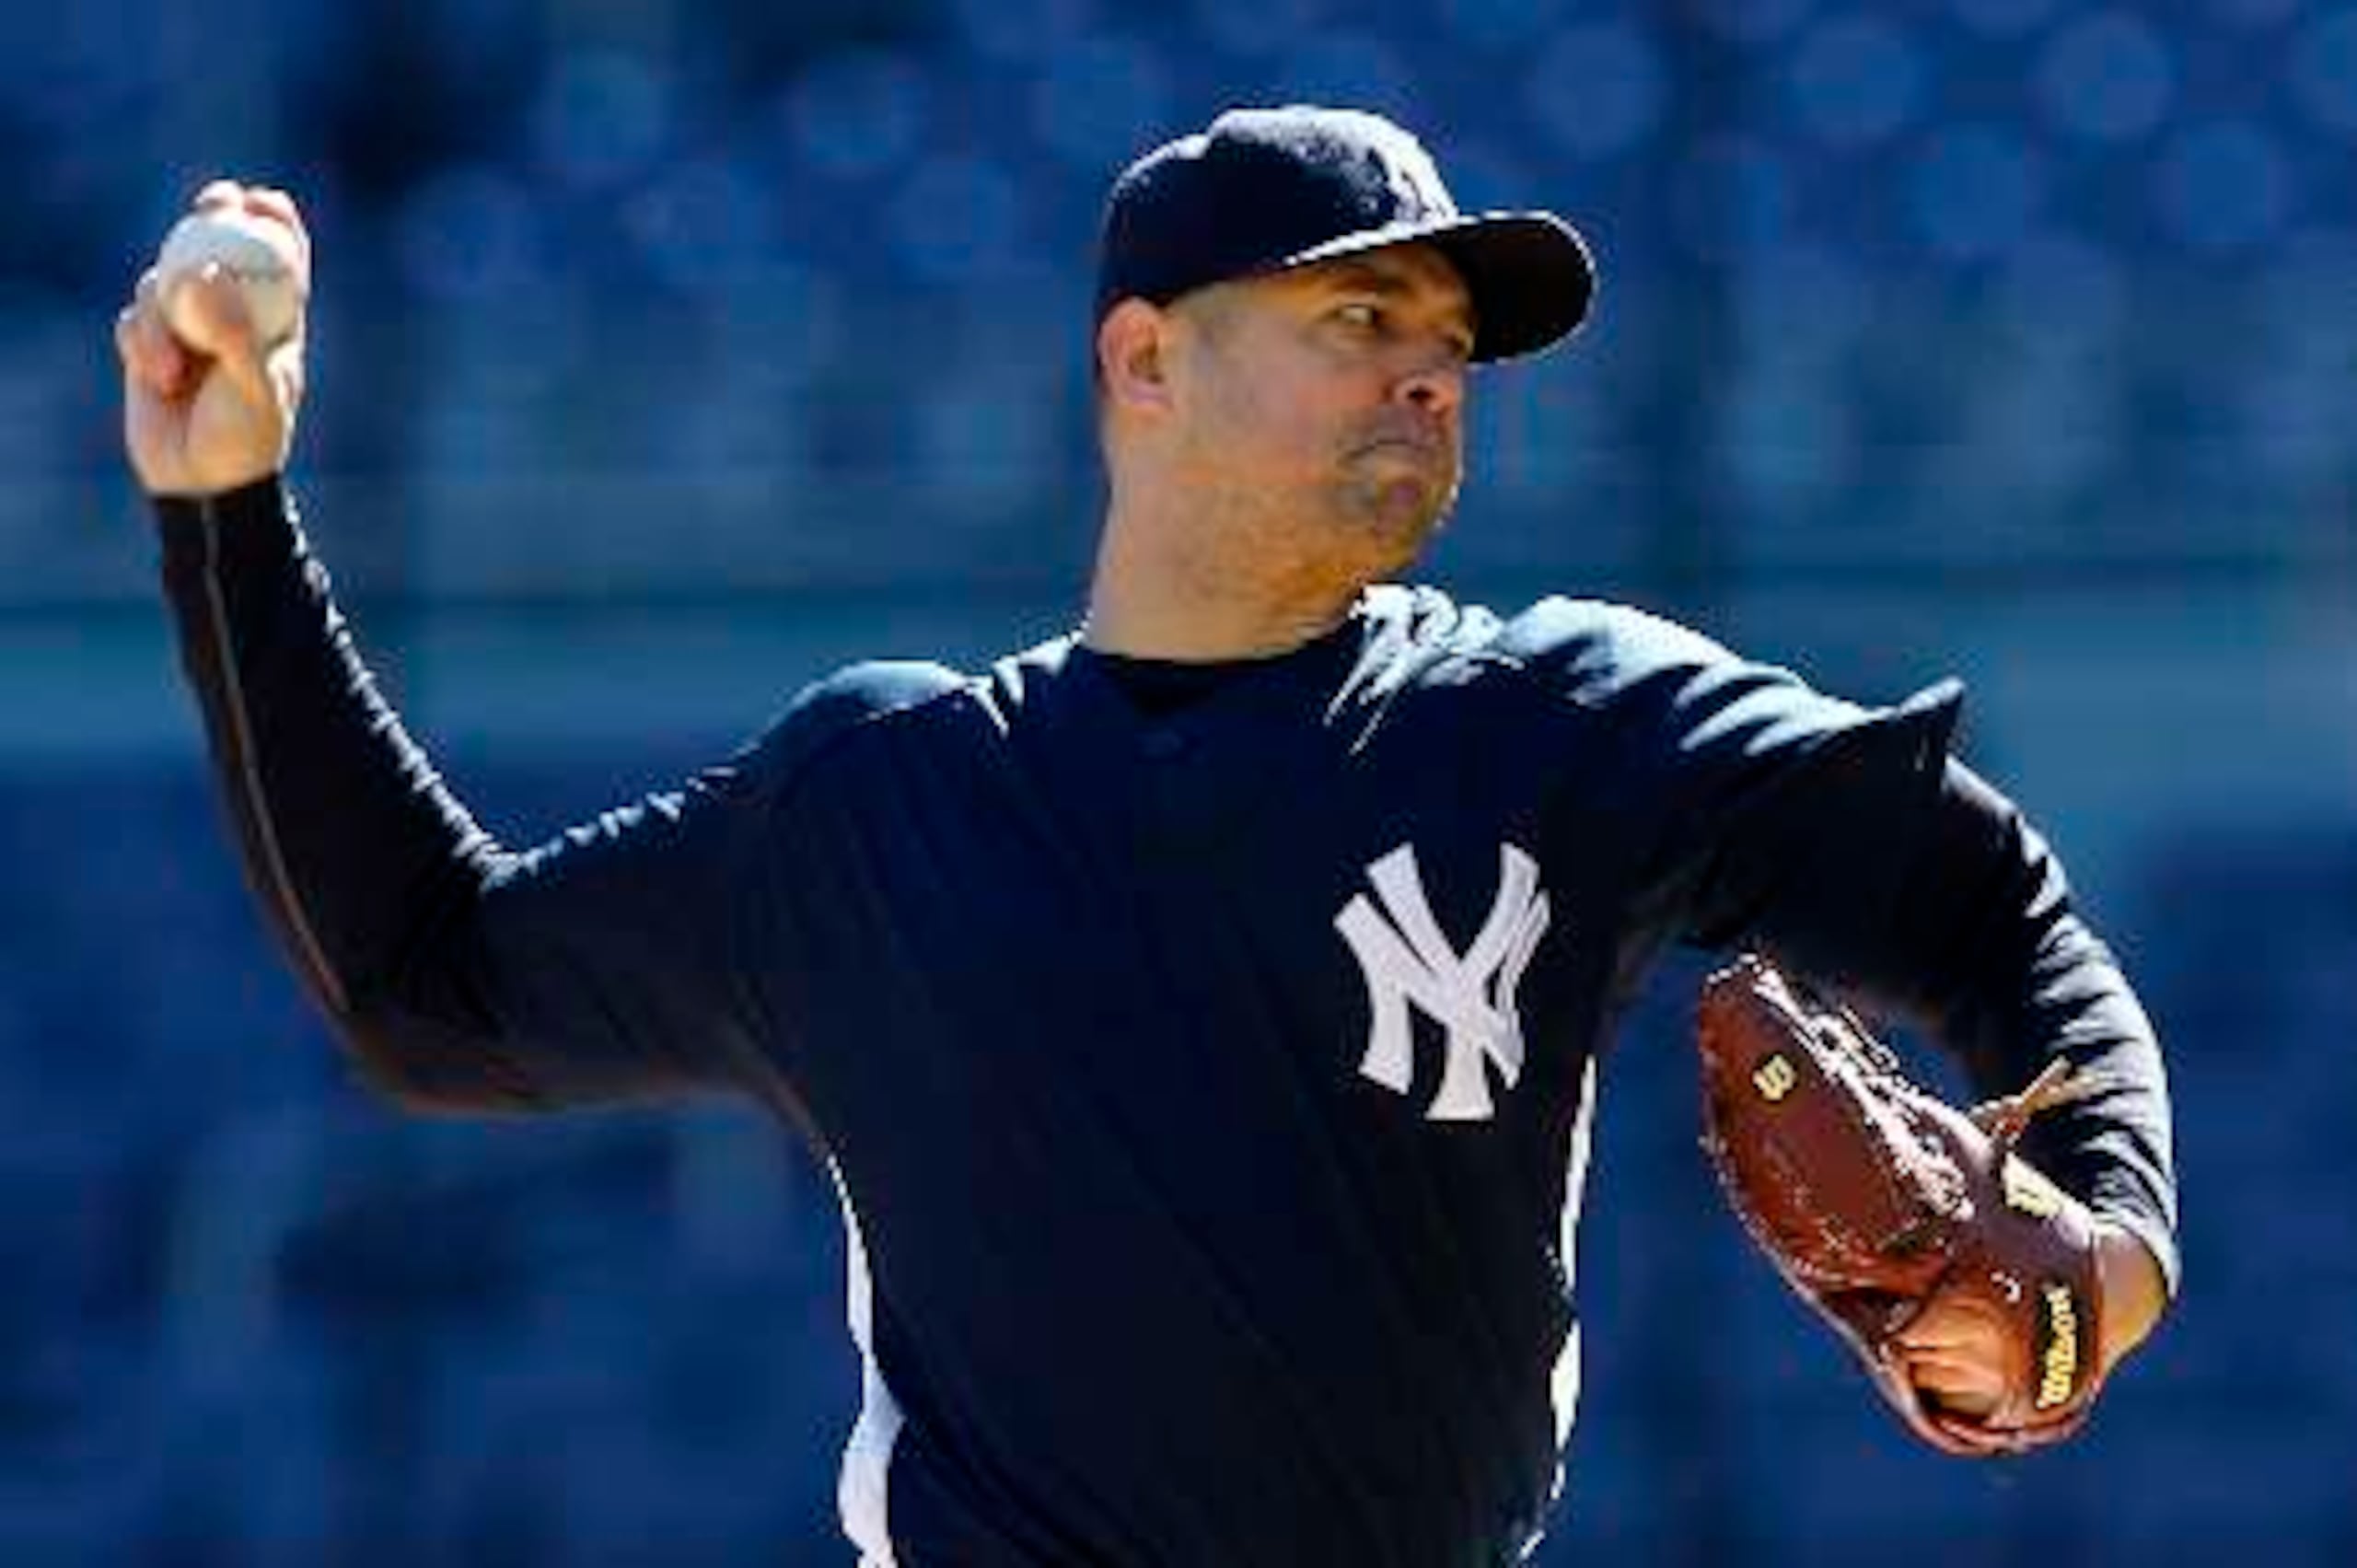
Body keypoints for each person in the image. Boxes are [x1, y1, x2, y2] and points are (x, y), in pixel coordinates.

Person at [118, 106, 2177, 1564]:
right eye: (1355, 323)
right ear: (1141, 363)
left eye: (1447, 347)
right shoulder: (884, 807)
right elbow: (428, 987)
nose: (1427, 379)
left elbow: (1983, 899)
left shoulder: (1552, 724)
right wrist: (226, 513)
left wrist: (2111, 1238)